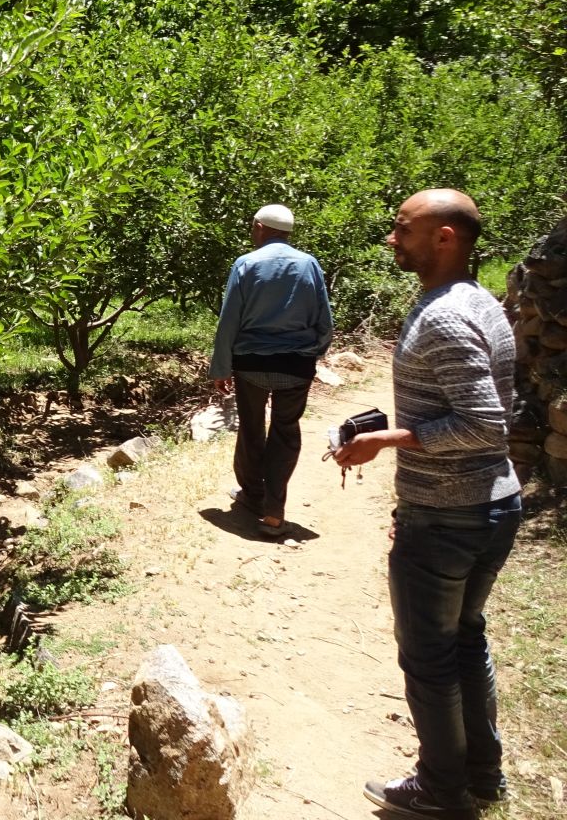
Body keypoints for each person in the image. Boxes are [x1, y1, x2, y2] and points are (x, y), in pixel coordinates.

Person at [329, 189, 522, 820]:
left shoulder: (442, 316)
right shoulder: (478, 302)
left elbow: (485, 424)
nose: (392, 239)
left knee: (430, 655)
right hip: (487, 504)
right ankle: (482, 775)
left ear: (443, 237)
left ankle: (442, 790)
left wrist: (390, 438)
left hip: (449, 515)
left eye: (402, 229)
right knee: (465, 640)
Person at [210, 203, 333, 538]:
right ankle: (274, 512)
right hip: (296, 365)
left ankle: (252, 494)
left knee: (252, 430)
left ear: (260, 227)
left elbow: (229, 320)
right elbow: (324, 320)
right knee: (285, 431)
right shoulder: (309, 264)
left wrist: (221, 367)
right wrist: (313, 353)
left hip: (251, 364)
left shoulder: (246, 264)